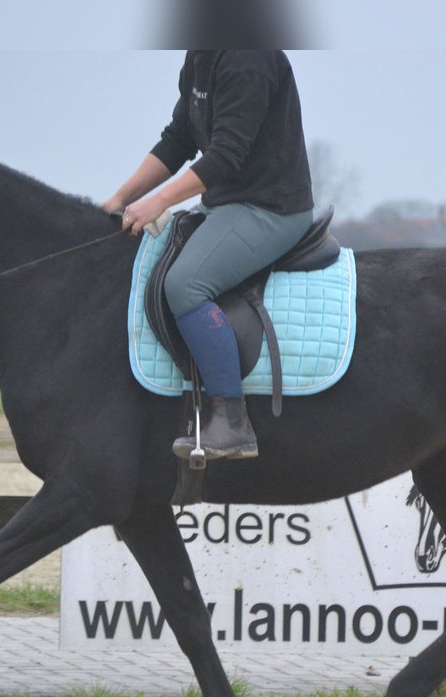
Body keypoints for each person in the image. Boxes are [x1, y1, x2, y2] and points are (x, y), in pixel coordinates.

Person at [102, 51, 314, 461]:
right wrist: (120, 198)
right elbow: (179, 137)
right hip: (226, 204)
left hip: (270, 209)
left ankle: (231, 423)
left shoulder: (248, 59)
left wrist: (156, 202)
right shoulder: (201, 53)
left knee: (186, 285)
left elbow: (225, 155)